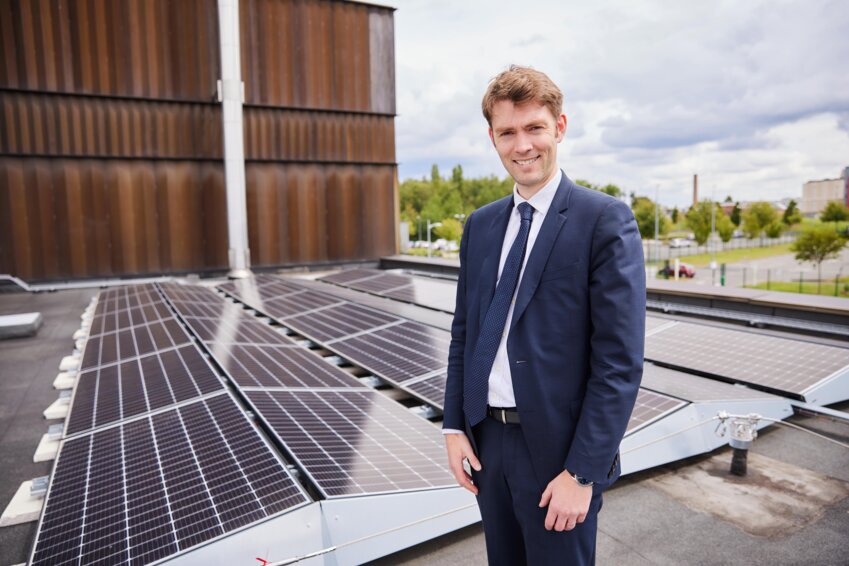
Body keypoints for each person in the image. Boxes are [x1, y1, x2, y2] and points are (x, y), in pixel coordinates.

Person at [442, 65, 645, 565]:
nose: (522, 146)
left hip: (559, 454)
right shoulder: (481, 226)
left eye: (534, 128)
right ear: (492, 137)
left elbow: (618, 363)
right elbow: (465, 333)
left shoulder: (604, 220)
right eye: (507, 132)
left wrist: (582, 473)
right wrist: (453, 427)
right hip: (487, 443)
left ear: (560, 127)